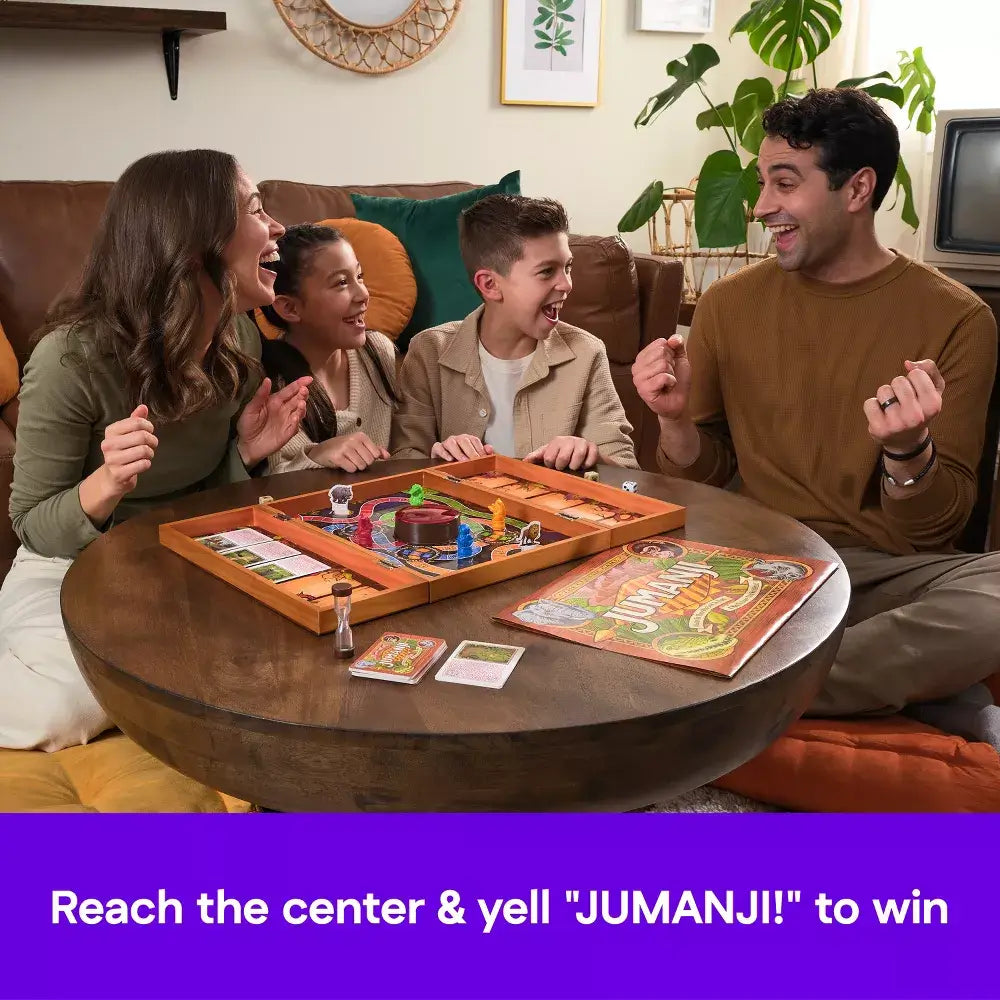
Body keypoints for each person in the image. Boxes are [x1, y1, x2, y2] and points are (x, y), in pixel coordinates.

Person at [632, 88, 1000, 734]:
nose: (762, 205)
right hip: (752, 564)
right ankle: (896, 691)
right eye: (762, 183)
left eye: (784, 183)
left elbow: (937, 529)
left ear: (857, 190)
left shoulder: (960, 319)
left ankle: (742, 685)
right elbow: (703, 477)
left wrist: (908, 449)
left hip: (882, 572)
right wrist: (676, 422)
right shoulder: (728, 305)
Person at [0, 149, 312, 752]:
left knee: (287, 650)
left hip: (183, 556)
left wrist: (243, 454)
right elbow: (34, 526)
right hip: (72, 565)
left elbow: (197, 496)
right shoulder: (70, 361)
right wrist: (104, 486)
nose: (277, 227)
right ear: (198, 243)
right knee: (64, 709)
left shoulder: (236, 334)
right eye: (255, 209)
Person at [390, 194, 638, 471]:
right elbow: (402, 456)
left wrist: (590, 456)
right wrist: (438, 457)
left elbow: (626, 472)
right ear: (489, 284)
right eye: (547, 272)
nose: (567, 284)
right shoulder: (429, 351)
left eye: (568, 267)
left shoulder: (587, 353)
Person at [256, 224, 399, 474]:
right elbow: (274, 478)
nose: (363, 294)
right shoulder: (272, 386)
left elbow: (409, 443)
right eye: (341, 283)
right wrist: (317, 455)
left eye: (359, 276)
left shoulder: (378, 352)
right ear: (290, 308)